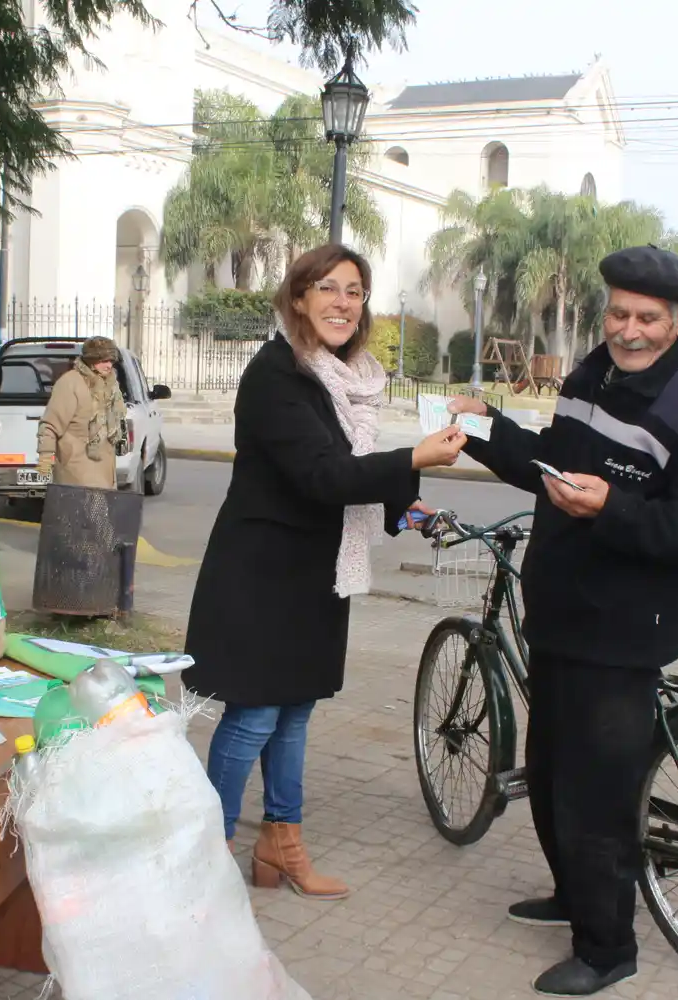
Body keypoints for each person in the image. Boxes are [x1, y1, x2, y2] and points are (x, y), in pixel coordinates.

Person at [449, 245, 678, 997]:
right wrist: (487, 429)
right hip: (559, 615)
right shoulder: (589, 375)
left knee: (596, 797)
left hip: (620, 633)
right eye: (619, 312)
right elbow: (551, 462)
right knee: (548, 779)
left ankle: (609, 948)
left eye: (648, 318)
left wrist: (613, 509)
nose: (629, 329)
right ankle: (574, 897)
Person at [182, 243, 466, 901]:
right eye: (330, 289)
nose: (344, 303)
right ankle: (210, 849)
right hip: (260, 574)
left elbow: (352, 460)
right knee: (253, 715)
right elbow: (321, 475)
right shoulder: (276, 376)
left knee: (296, 714)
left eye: (356, 292)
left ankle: (281, 845)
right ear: (299, 297)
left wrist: (410, 506)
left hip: (315, 573)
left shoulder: (348, 378)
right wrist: (414, 457)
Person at [36, 336, 128, 489]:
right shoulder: (71, 383)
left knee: (99, 511)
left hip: (104, 470)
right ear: (91, 360)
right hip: (76, 470)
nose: (109, 365)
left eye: (111, 361)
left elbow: (117, 418)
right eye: (103, 360)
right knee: (81, 512)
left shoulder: (111, 385)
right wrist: (45, 457)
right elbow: (50, 424)